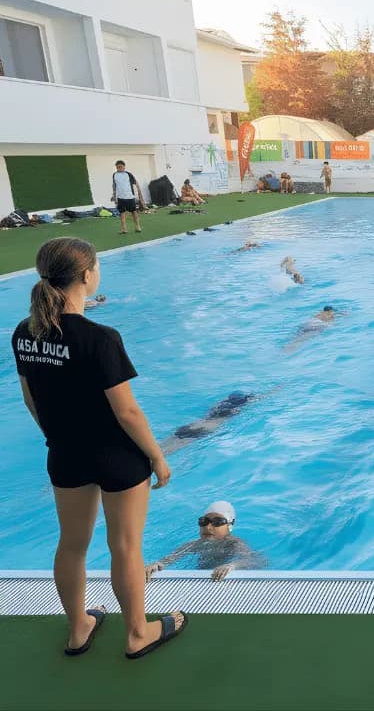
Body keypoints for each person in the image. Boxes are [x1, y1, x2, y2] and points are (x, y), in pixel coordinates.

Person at [11, 237, 187, 659]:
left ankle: (78, 629)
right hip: (117, 457)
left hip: (65, 454)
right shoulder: (100, 337)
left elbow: (30, 398)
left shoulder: (25, 332)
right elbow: (126, 412)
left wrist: (58, 436)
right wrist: (158, 456)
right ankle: (137, 634)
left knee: (71, 544)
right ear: (87, 276)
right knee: (125, 545)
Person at [145, 501, 266, 582]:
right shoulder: (196, 544)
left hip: (221, 580)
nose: (208, 527)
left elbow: (256, 561)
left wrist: (232, 565)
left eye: (217, 522)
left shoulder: (234, 543)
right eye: (204, 521)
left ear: (230, 525)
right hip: (202, 577)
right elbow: (173, 557)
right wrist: (158, 564)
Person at [158, 391, 257, 455]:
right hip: (205, 429)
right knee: (166, 452)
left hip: (192, 425)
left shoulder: (219, 405)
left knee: (162, 445)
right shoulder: (236, 409)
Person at [110, 160, 144, 234]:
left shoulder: (128, 174)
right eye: (117, 167)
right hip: (120, 198)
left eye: (120, 167)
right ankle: (124, 229)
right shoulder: (114, 174)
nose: (119, 168)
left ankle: (137, 226)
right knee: (122, 213)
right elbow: (114, 185)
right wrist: (113, 195)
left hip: (130, 197)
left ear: (124, 167)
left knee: (133, 212)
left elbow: (136, 184)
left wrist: (140, 197)